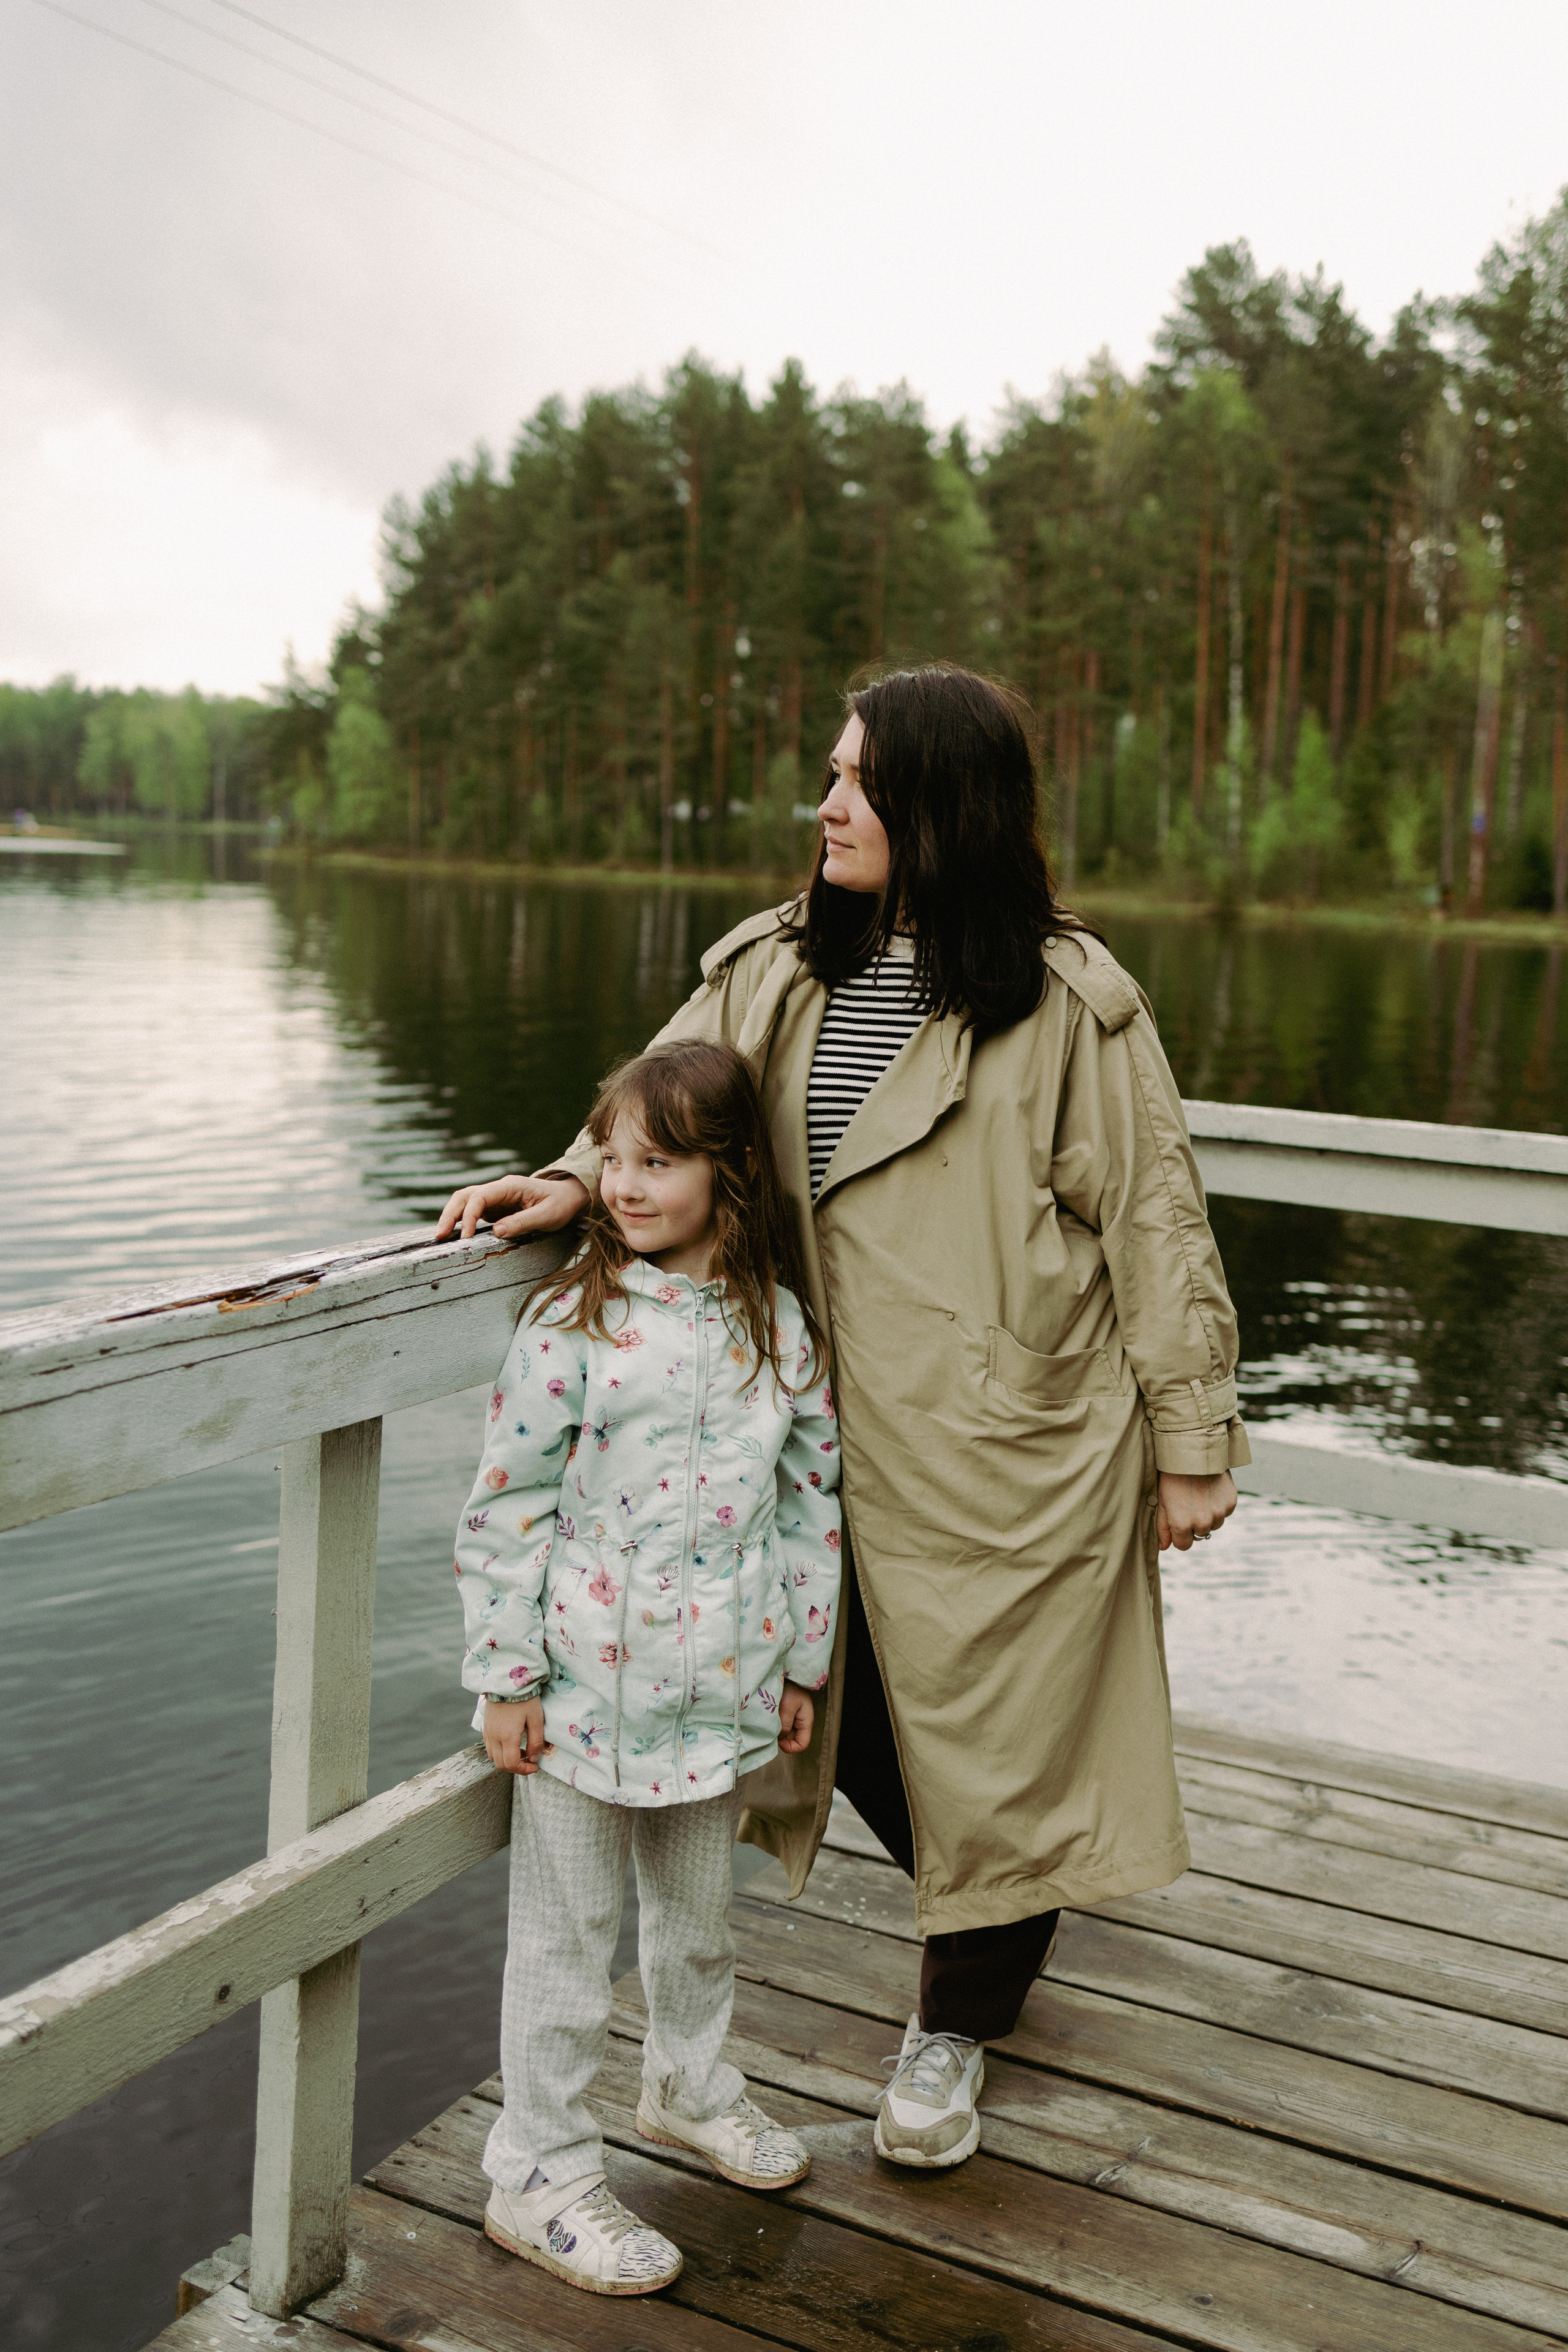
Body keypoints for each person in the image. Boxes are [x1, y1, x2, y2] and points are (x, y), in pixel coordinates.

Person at [440, 662, 1246, 2178]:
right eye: (828, 776)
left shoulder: (1069, 1001)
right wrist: (567, 1182)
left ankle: (955, 2025)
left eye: (857, 782)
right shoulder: (771, 965)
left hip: (1001, 1441)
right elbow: (665, 1102)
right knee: (841, 1707)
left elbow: (1153, 1218)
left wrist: (1190, 1437)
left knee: (1003, 1737)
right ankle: (969, 1942)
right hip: (792, 1429)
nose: (825, 805)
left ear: (942, 802)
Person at [454, 1038, 841, 2295]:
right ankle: (539, 2171)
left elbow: (809, 1506)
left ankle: (688, 2086)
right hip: (579, 1696)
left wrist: (799, 1662)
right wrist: (507, 1674)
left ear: (730, 1173)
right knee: (565, 1944)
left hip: (720, 1690)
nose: (620, 1184)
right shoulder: (573, 1321)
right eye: (612, 1158)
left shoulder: (777, 1330)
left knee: (696, 1923)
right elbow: (506, 1506)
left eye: (656, 1162)